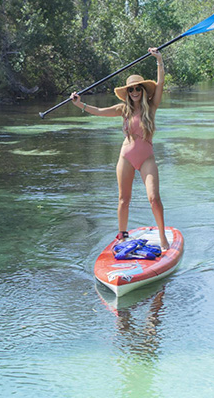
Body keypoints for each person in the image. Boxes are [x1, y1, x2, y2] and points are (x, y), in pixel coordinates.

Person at [70, 47, 170, 251]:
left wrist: (159, 60)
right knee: (124, 199)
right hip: (125, 157)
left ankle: (162, 235)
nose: (134, 92)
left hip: (146, 159)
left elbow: (160, 84)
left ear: (142, 90)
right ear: (127, 93)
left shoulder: (152, 106)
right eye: (131, 90)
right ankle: (122, 236)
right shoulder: (122, 109)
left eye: (137, 89)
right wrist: (80, 104)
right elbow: (97, 111)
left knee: (154, 199)